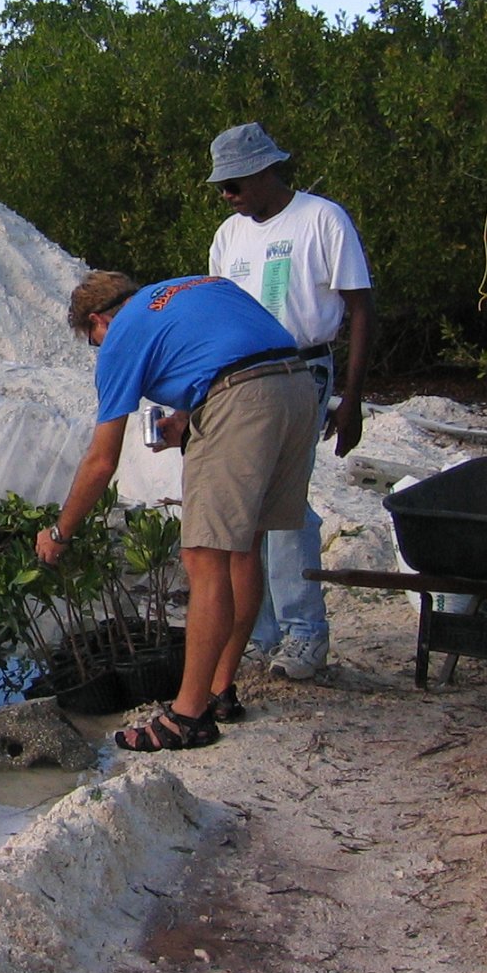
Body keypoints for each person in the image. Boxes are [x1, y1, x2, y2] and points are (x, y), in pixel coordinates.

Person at [36, 271, 319, 751]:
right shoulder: (198, 286)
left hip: (241, 402)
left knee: (203, 557)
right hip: (297, 387)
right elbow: (238, 352)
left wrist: (60, 533)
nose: (98, 348)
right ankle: (219, 689)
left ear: (98, 320)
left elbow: (102, 460)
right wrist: (187, 420)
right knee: (244, 548)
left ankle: (187, 717)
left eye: (92, 340)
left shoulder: (120, 335)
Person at [195, 121, 374, 682]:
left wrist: (352, 397)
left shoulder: (322, 219)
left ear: (266, 172)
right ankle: (258, 630)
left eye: (235, 184)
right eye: (223, 187)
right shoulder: (228, 235)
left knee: (285, 502)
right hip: (239, 378)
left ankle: (304, 633)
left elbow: (361, 308)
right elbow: (218, 314)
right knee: (244, 508)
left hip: (303, 366)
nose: (228, 196)